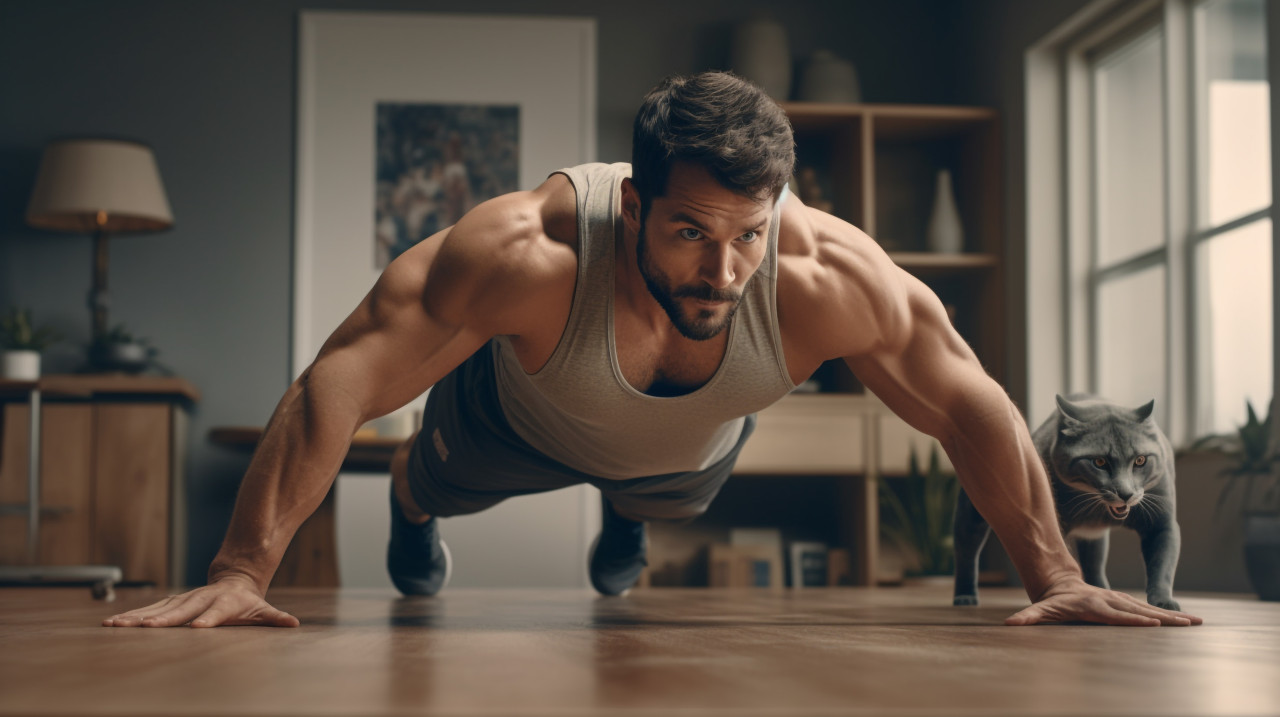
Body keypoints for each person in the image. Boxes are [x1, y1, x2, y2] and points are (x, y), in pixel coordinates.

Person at [104, 71, 1202, 629]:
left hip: (684, 454)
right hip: (510, 422)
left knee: (654, 489)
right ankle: (414, 509)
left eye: (747, 236)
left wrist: (1056, 577)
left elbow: (971, 403)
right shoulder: (525, 250)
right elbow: (337, 378)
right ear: (632, 204)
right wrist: (240, 572)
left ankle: (624, 511)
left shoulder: (831, 275)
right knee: (434, 478)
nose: (721, 271)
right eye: (687, 232)